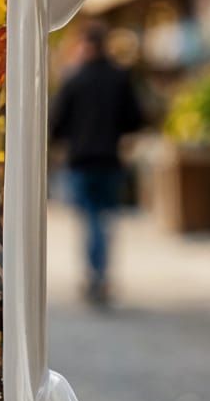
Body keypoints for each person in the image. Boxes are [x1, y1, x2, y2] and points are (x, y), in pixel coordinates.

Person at [50, 20, 144, 306]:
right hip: (110, 159)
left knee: (90, 218)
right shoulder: (119, 77)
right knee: (104, 218)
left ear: (84, 44)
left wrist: (63, 141)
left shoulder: (74, 79)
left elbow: (56, 123)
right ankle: (100, 275)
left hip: (80, 160)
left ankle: (96, 276)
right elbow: (135, 118)